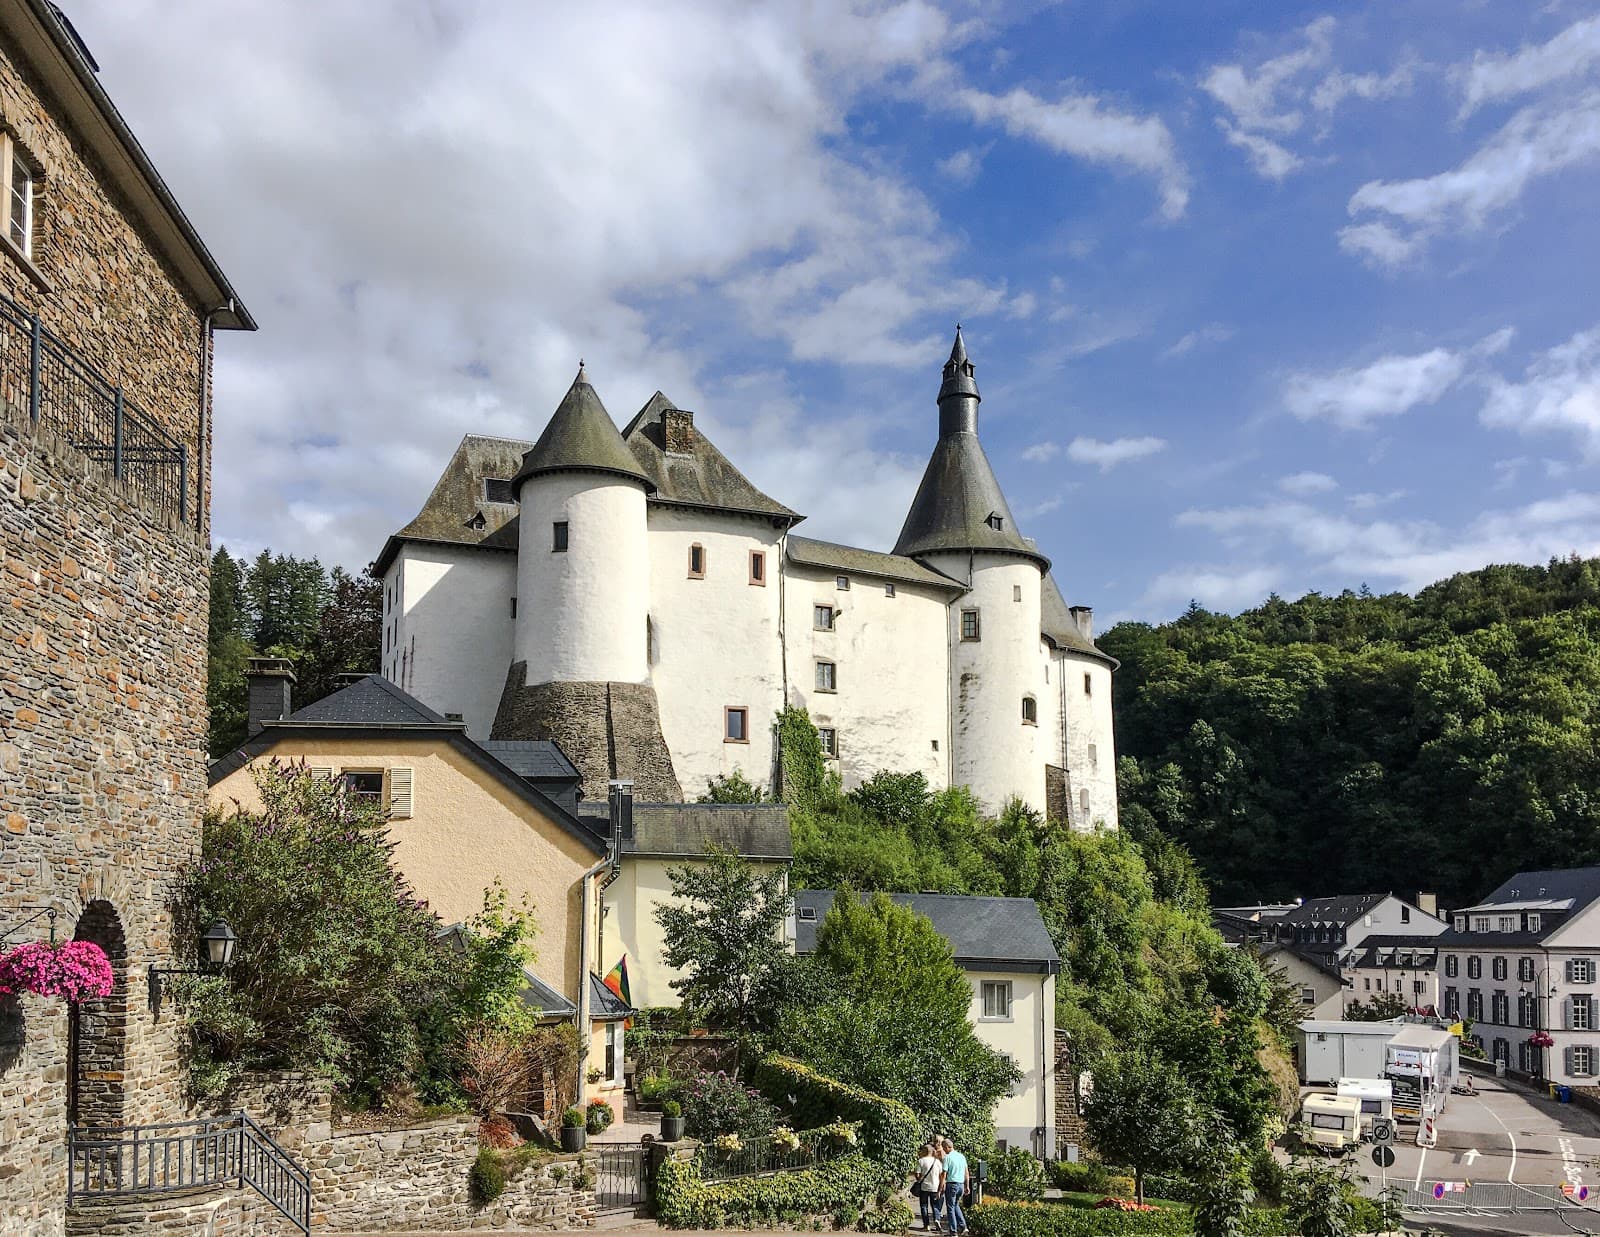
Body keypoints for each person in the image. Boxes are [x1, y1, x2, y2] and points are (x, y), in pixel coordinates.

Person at [941, 1138, 969, 1235]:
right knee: (956, 1205)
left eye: (944, 1148)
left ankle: (953, 1231)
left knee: (950, 1207)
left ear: (947, 1147)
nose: (943, 1150)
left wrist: (941, 1187)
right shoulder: (962, 1157)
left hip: (951, 1184)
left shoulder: (947, 1158)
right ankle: (963, 1226)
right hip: (960, 1185)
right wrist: (967, 1186)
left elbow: (944, 1175)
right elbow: (966, 1173)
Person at [913, 1143, 943, 1231]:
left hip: (924, 1187)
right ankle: (937, 1219)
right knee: (935, 1205)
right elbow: (941, 1174)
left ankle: (926, 1225)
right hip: (935, 1186)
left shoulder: (921, 1161)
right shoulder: (937, 1161)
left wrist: (919, 1179)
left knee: (924, 1206)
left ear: (924, 1151)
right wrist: (941, 1186)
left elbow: (917, 1174)